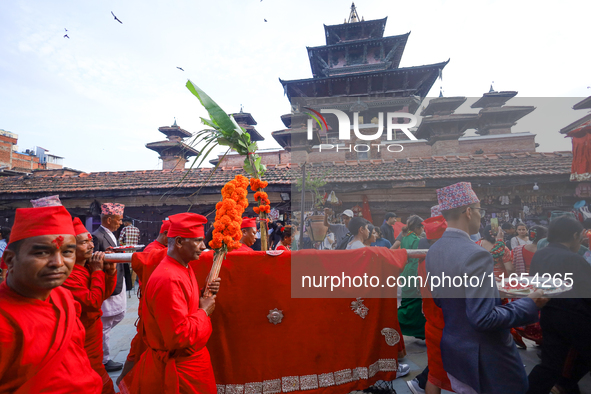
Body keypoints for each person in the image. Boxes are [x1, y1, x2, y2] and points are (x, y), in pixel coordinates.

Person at [426, 182, 547, 394]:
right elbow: (483, 318)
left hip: (455, 349)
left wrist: (490, 292)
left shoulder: (435, 250)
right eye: (480, 210)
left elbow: (441, 299)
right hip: (486, 358)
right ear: (469, 212)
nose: (482, 217)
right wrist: (529, 303)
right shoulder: (476, 254)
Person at [0, 205, 102, 392]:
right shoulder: (4, 322)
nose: (58, 263)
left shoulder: (63, 296)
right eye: (41, 253)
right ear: (9, 259)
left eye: (67, 252)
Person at [126, 212, 220, 393]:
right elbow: (179, 336)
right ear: (178, 242)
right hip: (180, 369)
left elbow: (182, 308)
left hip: (190, 364)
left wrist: (202, 295)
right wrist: (204, 311)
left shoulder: (183, 266)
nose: (203, 246)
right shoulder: (169, 278)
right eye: (197, 241)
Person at [527, 216, 591, 394]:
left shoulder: (540, 255)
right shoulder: (574, 259)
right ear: (575, 235)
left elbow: (534, 283)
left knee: (550, 364)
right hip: (576, 320)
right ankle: (565, 384)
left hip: (549, 315)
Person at [62, 217, 118, 394]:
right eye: (84, 242)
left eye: (91, 241)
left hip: (93, 330)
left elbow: (102, 296)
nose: (91, 246)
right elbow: (92, 302)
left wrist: (109, 273)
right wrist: (98, 272)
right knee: (94, 377)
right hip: (82, 333)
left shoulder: (86, 267)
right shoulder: (67, 275)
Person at [409, 215, 451, 394]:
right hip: (444, 321)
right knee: (437, 374)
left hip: (431, 318)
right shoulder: (442, 261)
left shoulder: (424, 259)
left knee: (435, 374)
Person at [93, 202, 127, 372]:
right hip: (107, 284)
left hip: (117, 281)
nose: (120, 223)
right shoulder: (97, 236)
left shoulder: (111, 234)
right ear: (108, 219)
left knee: (118, 315)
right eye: (118, 220)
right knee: (105, 322)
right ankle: (103, 359)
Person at [397, 215, 426, 340]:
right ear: (418, 227)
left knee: (407, 303)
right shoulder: (417, 240)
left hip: (405, 272)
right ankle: (417, 331)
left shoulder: (404, 237)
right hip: (414, 272)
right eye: (422, 228)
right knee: (415, 305)